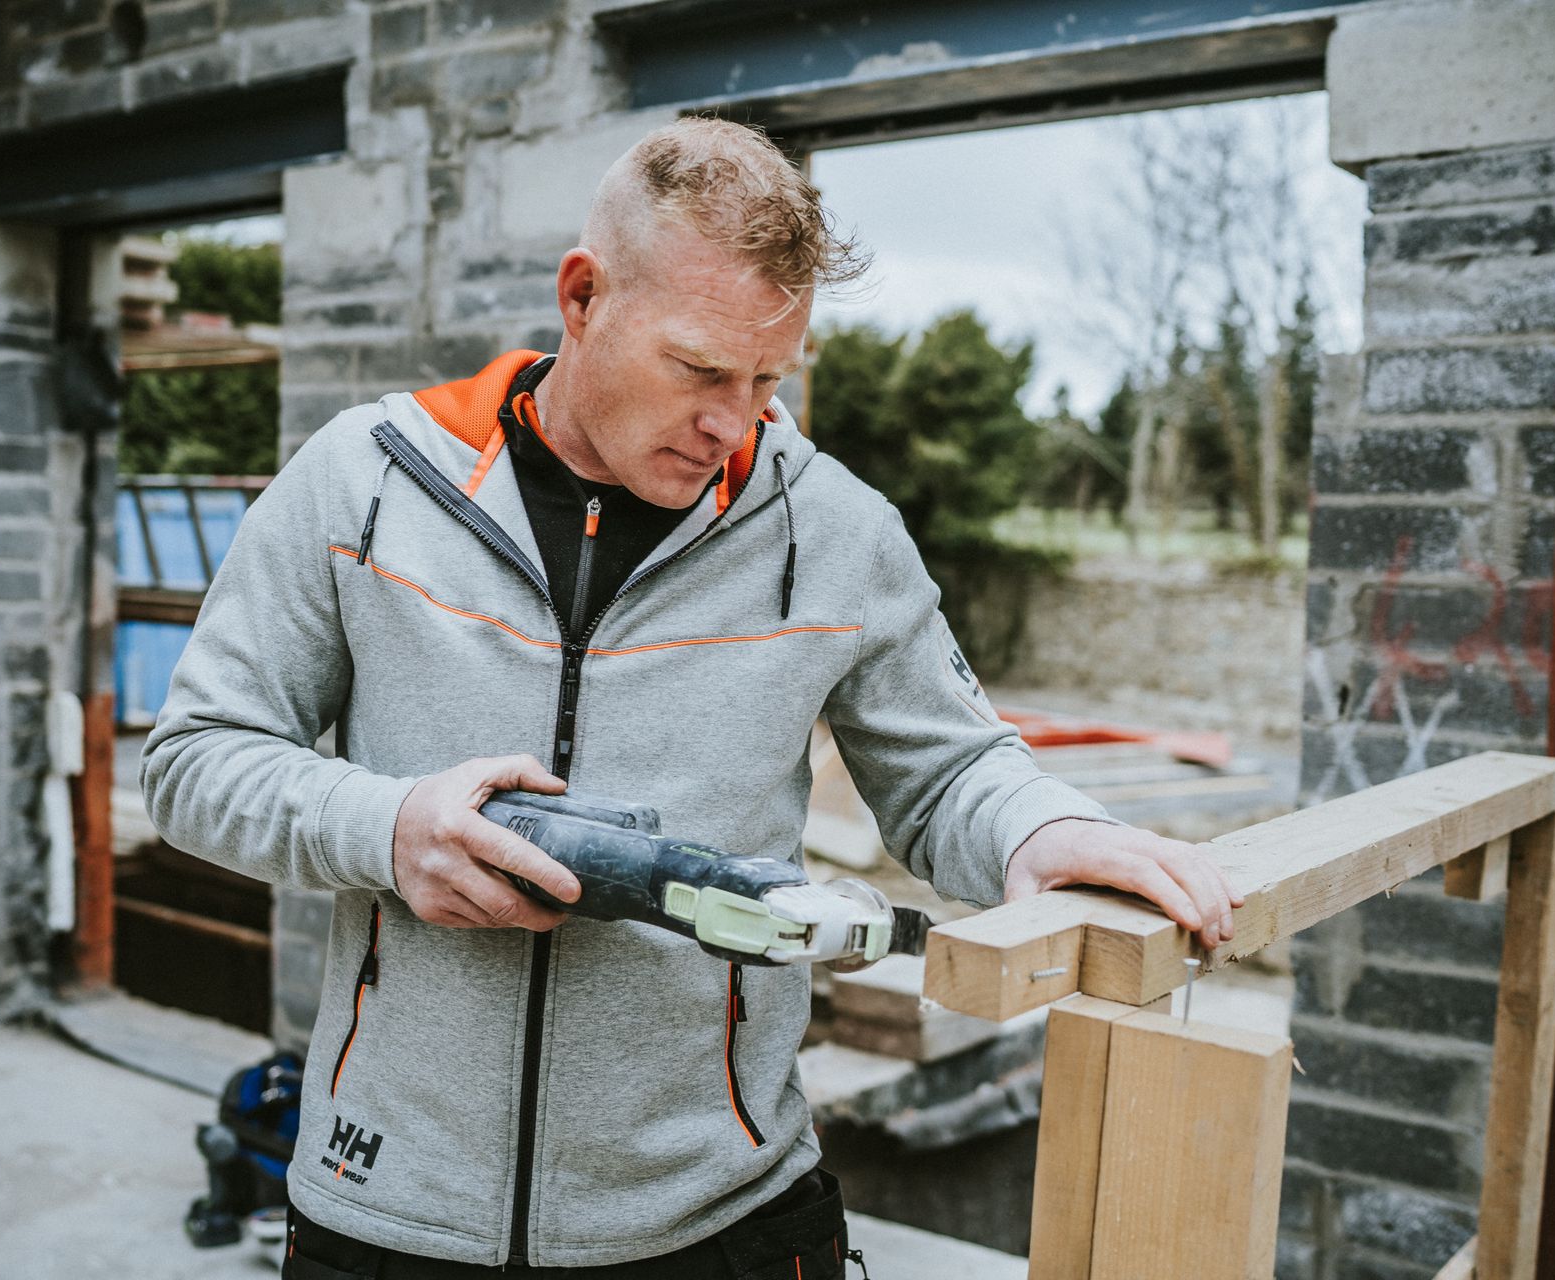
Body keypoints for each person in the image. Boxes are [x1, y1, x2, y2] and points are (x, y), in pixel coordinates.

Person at [140, 117, 1241, 1280]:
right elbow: (197, 757)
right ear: (582, 297)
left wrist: (1047, 827)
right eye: (703, 369)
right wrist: (387, 828)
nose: (738, 423)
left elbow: (954, 769)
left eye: (771, 377)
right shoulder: (363, 482)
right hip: (391, 1211)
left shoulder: (835, 531)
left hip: (722, 1222)